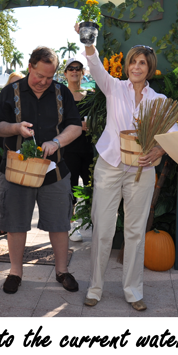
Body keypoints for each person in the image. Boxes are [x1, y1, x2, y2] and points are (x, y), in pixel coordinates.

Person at [76, 25, 177, 311]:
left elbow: (174, 135)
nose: (136, 66)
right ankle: (95, 288)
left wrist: (157, 150)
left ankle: (133, 291)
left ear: (149, 68)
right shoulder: (113, 88)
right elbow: (94, 67)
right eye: (132, 61)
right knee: (103, 229)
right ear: (127, 66)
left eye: (142, 63)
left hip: (142, 171)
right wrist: (88, 43)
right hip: (109, 166)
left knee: (135, 231)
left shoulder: (158, 101)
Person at [0, 46, 82, 294]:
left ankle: (62, 270)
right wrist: (16, 128)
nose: (43, 82)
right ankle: (15, 272)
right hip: (17, 171)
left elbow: (75, 126)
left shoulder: (63, 92)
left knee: (59, 223)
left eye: (49, 77)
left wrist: (57, 142)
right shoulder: (10, 92)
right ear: (30, 67)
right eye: (39, 76)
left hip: (55, 172)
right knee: (16, 223)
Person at [62, 54, 95, 242]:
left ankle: (93, 223)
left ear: (83, 73)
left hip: (89, 149)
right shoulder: (60, 96)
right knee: (70, 190)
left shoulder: (91, 97)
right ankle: (72, 225)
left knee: (92, 188)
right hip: (69, 150)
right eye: (71, 69)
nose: (74, 71)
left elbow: (101, 121)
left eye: (78, 68)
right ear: (65, 73)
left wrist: (92, 125)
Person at [0, 71, 25, 236]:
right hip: (0, 154)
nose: (15, 87)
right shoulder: (1, 105)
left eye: (19, 83)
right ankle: (2, 222)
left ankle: (14, 224)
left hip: (20, 156)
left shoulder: (27, 105)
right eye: (13, 83)